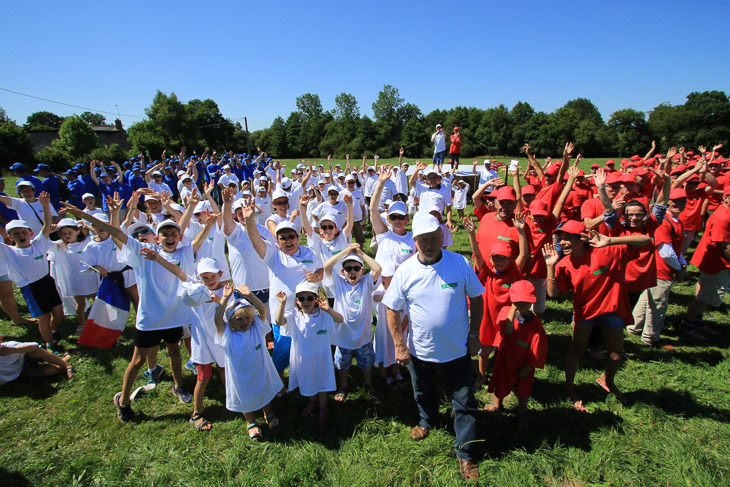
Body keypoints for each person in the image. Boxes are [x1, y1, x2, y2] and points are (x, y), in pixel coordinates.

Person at [63, 206, 200, 421]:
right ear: (157, 237)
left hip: (174, 315)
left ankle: (178, 386)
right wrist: (83, 216)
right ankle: (123, 401)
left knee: (174, 350)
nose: (169, 237)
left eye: (174, 234)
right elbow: (115, 231)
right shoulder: (141, 251)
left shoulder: (181, 252)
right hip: (149, 319)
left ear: (179, 236)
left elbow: (193, 236)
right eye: (165, 234)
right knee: (137, 360)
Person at [382, 213, 485, 481]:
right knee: (423, 391)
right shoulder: (406, 270)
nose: (428, 244)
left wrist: (474, 334)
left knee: (464, 401)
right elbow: (392, 308)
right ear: (415, 240)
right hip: (421, 351)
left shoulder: (459, 263)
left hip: (457, 350)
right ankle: (427, 420)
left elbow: (477, 298)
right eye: (423, 240)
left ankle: (465, 453)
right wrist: (399, 344)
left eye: (433, 239)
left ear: (442, 237)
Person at [543, 221, 651, 411]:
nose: (562, 244)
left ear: (581, 239)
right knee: (576, 349)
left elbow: (646, 240)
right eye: (560, 240)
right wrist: (550, 266)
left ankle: (607, 380)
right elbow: (553, 293)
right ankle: (569, 387)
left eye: (567, 239)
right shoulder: (565, 264)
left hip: (613, 310)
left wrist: (610, 240)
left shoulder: (608, 251)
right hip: (585, 312)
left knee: (616, 356)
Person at [140, 254, 227, 431]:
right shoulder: (194, 288)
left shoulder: (226, 291)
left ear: (221, 274)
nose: (209, 280)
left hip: (221, 341)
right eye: (205, 277)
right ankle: (196, 413)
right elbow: (178, 271)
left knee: (225, 371)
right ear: (199, 277)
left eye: (213, 276)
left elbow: (233, 309)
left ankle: (233, 401)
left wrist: (219, 299)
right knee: (203, 377)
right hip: (202, 342)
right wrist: (157, 259)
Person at [464, 212, 529, 388]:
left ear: (509, 259)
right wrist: (471, 234)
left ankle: (503, 375)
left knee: (506, 349)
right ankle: (482, 376)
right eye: (496, 258)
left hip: (506, 318)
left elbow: (523, 254)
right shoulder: (487, 272)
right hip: (487, 318)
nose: (499, 261)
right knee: (483, 350)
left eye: (503, 258)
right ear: (490, 259)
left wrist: (521, 232)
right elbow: (477, 256)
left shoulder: (514, 270)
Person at [216, 284, 283, 440]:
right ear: (231, 322)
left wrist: (250, 295)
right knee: (244, 396)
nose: (244, 322)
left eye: (247, 317)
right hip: (240, 376)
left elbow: (263, 310)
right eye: (239, 319)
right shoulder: (228, 336)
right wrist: (225, 298)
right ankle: (250, 421)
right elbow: (217, 318)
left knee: (263, 391)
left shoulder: (256, 329)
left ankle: (268, 413)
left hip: (259, 370)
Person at [0, 194, 64, 354]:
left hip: (46, 281)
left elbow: (47, 225)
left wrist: (45, 206)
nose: (21, 235)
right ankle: (50, 343)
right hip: (31, 287)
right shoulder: (8, 251)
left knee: (58, 313)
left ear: (30, 233)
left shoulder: (39, 243)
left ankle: (52, 331)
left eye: (23, 232)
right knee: (44, 316)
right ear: (9, 237)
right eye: (16, 234)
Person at [274, 283, 343, 422]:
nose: (306, 302)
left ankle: (323, 406)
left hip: (321, 356)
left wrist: (329, 309)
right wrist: (282, 304)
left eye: (310, 298)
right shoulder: (294, 314)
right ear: (297, 301)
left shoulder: (323, 314)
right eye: (302, 298)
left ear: (316, 299)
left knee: (321, 379)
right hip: (302, 357)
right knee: (308, 379)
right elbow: (279, 321)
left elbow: (339, 319)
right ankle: (313, 401)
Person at [485, 280, 547, 432]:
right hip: (506, 360)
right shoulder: (506, 312)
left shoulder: (535, 324)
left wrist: (529, 366)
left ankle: (521, 414)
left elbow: (538, 347)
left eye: (526, 301)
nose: (523, 304)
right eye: (519, 300)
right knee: (501, 383)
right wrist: (513, 307)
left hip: (525, 361)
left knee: (523, 389)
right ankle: (497, 405)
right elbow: (508, 330)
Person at [323, 244, 382, 401]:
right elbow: (326, 267)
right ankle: (343, 386)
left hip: (364, 336)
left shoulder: (366, 282)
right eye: (348, 269)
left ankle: (368, 385)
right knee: (343, 364)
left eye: (357, 268)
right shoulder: (338, 283)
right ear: (342, 272)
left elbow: (377, 269)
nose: (352, 272)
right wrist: (346, 251)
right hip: (343, 336)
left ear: (362, 271)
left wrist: (361, 254)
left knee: (367, 363)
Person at [682, 184, 730, 339]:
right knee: (708, 295)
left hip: (717, 261)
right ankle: (688, 326)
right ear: (725, 197)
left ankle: (697, 322)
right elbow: (724, 246)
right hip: (715, 263)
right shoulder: (722, 218)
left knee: (705, 293)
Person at [47, 218, 99, 335]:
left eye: (70, 232)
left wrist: (88, 226)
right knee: (80, 303)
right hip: (74, 280)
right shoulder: (58, 246)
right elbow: (42, 242)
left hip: (89, 278)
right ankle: (81, 324)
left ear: (78, 231)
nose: (67, 235)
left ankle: (98, 322)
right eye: (64, 233)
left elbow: (101, 235)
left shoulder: (86, 242)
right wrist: (49, 231)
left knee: (97, 300)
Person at [0, 337, 73, 385]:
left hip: (24, 359)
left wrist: (12, 350)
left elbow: (35, 346)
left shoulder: (9, 346)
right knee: (52, 371)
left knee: (37, 351)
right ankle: (67, 357)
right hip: (21, 373)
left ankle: (67, 366)